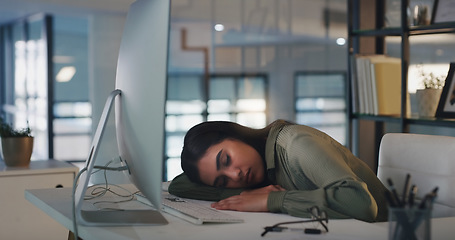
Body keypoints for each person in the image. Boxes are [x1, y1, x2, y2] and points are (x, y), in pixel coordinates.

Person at [168, 119, 389, 222]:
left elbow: (361, 204)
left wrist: (271, 200)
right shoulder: (260, 171)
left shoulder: (296, 146)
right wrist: (244, 196)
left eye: (225, 160)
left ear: (236, 135)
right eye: (222, 182)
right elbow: (179, 185)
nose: (234, 175)